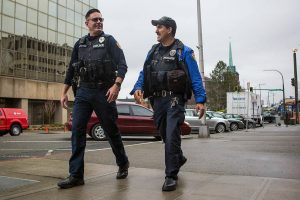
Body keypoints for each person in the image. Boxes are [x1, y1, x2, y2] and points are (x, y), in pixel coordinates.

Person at [130, 16, 206, 191]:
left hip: (174, 99)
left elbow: (195, 77)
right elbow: (144, 72)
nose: (156, 30)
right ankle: (178, 157)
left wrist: (200, 100)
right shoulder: (153, 51)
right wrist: (137, 87)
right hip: (157, 100)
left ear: (170, 29)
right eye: (156, 27)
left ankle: (171, 175)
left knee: (171, 134)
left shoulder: (184, 51)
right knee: (165, 134)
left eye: (160, 27)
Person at [58, 8, 129, 189]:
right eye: (94, 19)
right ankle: (76, 175)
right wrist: (64, 92)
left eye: (101, 19)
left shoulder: (110, 41)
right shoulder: (79, 44)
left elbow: (122, 65)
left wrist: (116, 85)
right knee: (77, 131)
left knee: (111, 130)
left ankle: (122, 163)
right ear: (87, 23)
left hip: (104, 91)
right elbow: (71, 70)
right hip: (83, 91)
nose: (98, 22)